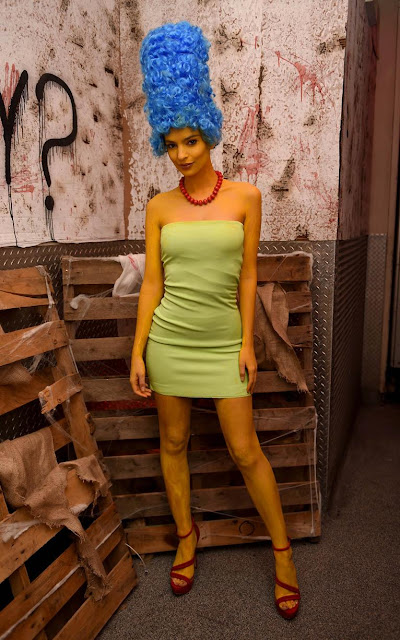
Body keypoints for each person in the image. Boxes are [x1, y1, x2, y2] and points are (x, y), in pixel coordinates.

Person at [130, 21, 300, 619]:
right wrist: (138, 349)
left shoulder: (246, 198)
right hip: (169, 342)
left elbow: (248, 276)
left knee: (245, 450)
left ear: (209, 133)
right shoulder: (158, 207)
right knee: (173, 442)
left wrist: (248, 343)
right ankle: (186, 538)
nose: (181, 155)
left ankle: (283, 554)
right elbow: (153, 283)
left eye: (192, 141)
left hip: (224, 343)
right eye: (171, 143)